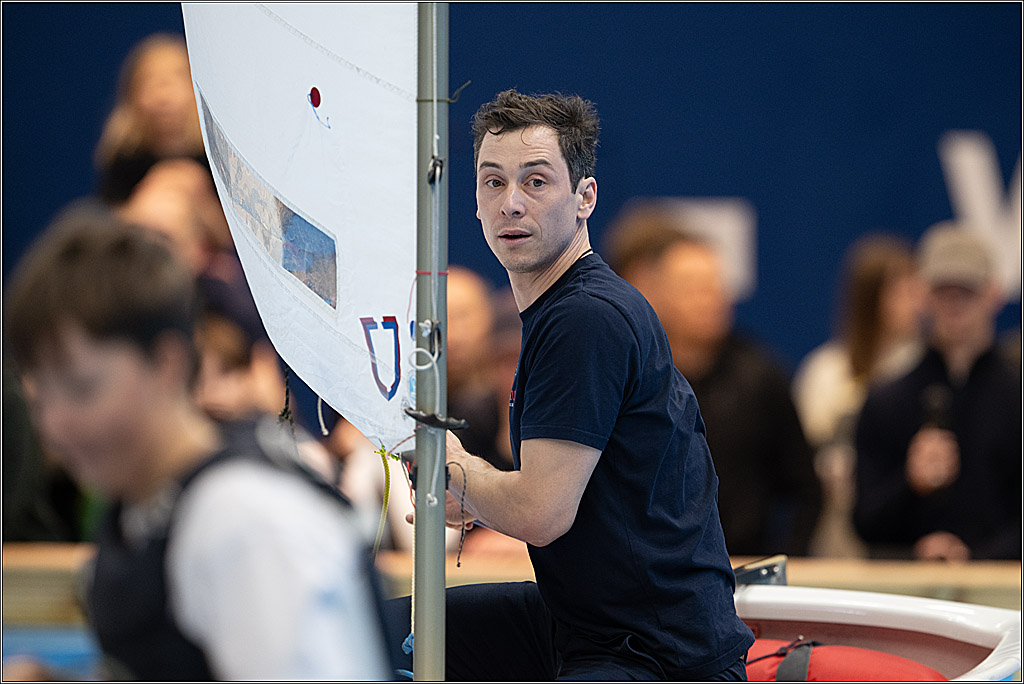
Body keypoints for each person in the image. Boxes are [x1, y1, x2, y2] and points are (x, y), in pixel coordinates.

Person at [386, 89, 754, 681]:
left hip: (660, 656)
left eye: (536, 182)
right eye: (493, 182)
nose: (510, 203)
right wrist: (472, 494)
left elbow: (541, 512)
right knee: (372, 631)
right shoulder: (562, 311)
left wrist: (457, 470)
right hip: (580, 625)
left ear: (585, 198)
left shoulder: (585, 317)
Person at [3, 209, 393, 680]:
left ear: (166, 364)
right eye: (40, 400)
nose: (56, 425)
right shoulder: (148, 506)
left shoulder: (241, 520)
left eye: (82, 389)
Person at [603, 201, 821, 558]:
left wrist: (781, 563)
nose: (714, 299)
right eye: (694, 287)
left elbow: (806, 491)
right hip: (643, 569)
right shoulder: (619, 378)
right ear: (648, 288)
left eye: (717, 284)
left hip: (740, 569)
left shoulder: (760, 376)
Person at [853, 221, 1021, 561]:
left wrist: (976, 556)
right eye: (943, 290)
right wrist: (910, 483)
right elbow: (865, 523)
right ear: (923, 295)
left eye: (967, 290)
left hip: (1006, 587)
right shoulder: (887, 401)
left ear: (994, 293)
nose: (955, 303)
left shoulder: (1015, 398)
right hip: (910, 588)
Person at [792, 233, 925, 558]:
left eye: (916, 288)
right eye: (902, 290)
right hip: (835, 537)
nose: (916, 302)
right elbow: (801, 458)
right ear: (871, 297)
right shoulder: (826, 372)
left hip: (903, 538)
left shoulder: (922, 371)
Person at [94, 34, 213, 212]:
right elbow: (110, 218)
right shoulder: (126, 160)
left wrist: (195, 191)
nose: (163, 97)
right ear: (132, 96)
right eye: (149, 82)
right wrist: (151, 192)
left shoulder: (214, 157)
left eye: (175, 81)